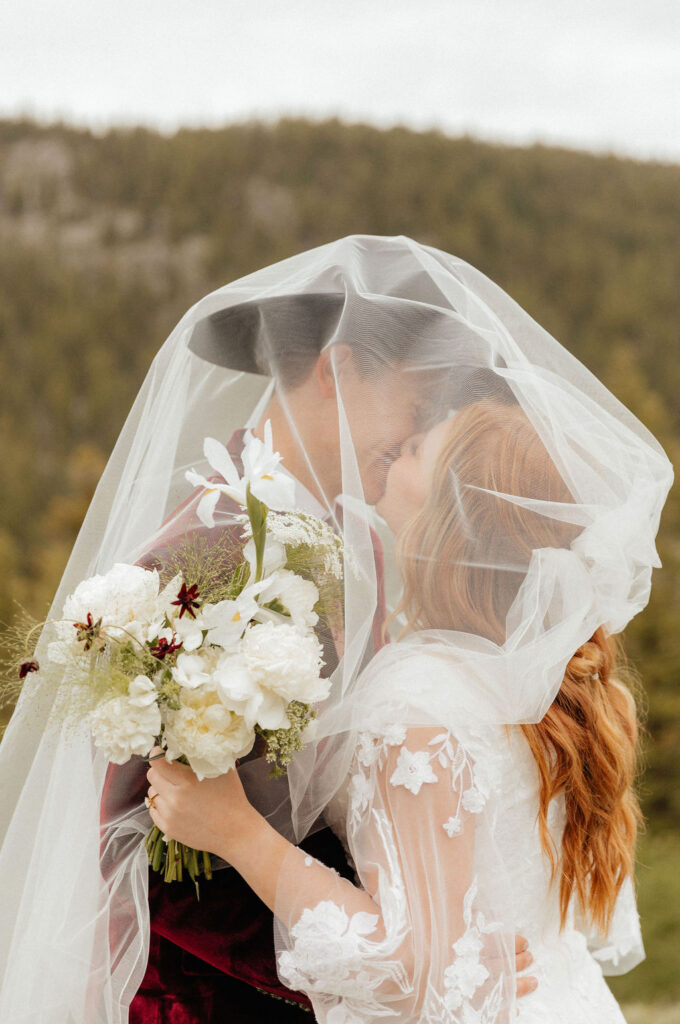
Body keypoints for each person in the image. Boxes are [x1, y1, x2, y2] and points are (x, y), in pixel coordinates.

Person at [0, 235, 671, 1023]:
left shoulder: (373, 543)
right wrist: (406, 964)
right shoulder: (203, 558)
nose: (420, 434)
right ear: (341, 371)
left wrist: (432, 943)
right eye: (416, 411)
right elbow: (138, 833)